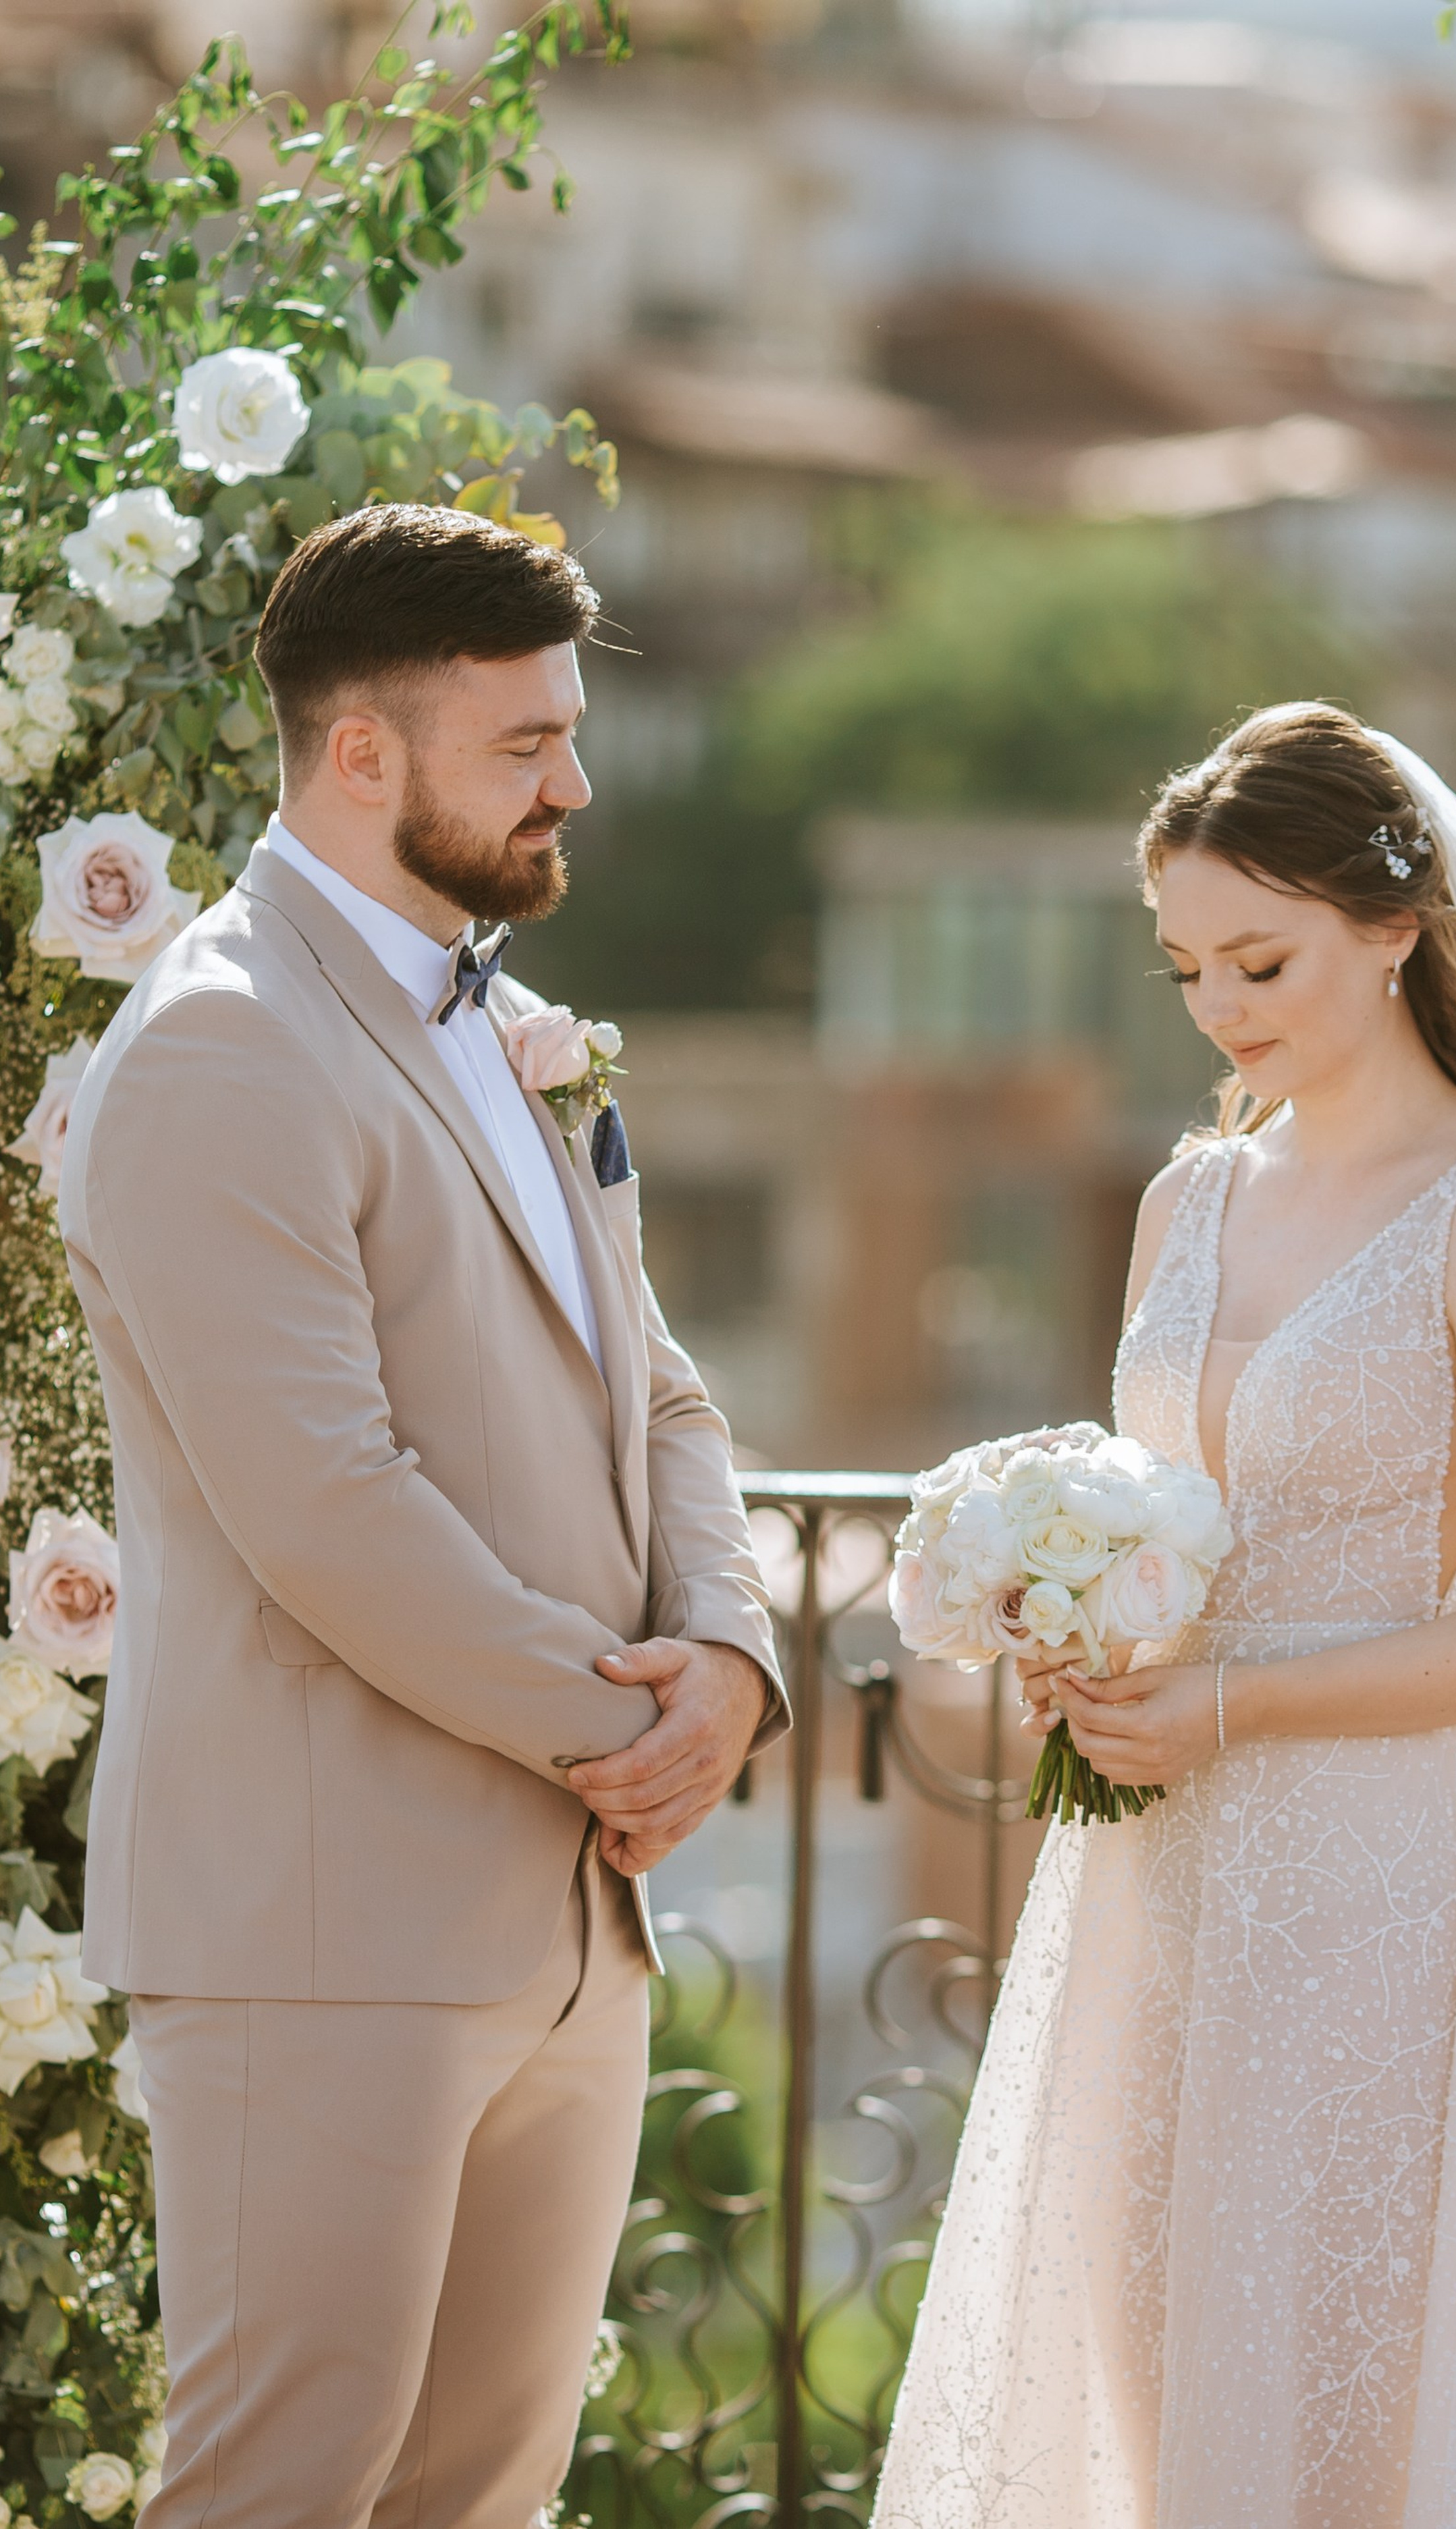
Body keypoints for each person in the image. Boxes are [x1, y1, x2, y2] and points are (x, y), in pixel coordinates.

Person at [871, 703, 1456, 2528]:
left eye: (1263, 958)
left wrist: (1237, 1709)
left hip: (1372, 1888)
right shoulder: (1188, 1198)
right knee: (1155, 2408)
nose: (1223, 1007)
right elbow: (1174, 1517)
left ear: (1394, 926)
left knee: (1346, 2418)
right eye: (1185, 970)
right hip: (1151, 1870)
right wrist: (1076, 1623)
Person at [57, 503, 788, 2529]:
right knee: (283, 2489)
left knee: (480, 2501)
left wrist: (728, 1655)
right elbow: (327, 1505)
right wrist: (629, 1728)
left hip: (566, 1919)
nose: (573, 782)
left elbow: (659, 1387)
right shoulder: (220, 1045)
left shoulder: (498, 1021)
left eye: (570, 729)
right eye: (521, 743)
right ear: (358, 755)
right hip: (324, 1919)